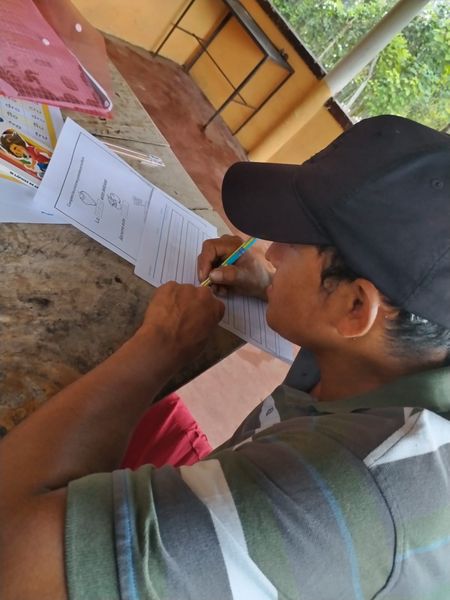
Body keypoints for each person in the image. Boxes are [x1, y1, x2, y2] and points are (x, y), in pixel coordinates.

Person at [1, 115, 449, 600]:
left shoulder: (328, 500)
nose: (272, 252)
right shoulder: (410, 344)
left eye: (294, 244)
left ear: (354, 307)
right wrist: (279, 287)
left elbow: (13, 550)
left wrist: (161, 346)